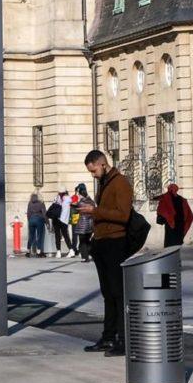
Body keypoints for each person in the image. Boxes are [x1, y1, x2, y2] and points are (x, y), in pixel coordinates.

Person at [74, 150, 132, 356]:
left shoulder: (120, 182)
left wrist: (94, 211)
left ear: (103, 164)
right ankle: (108, 337)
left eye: (94, 170)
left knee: (118, 293)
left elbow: (123, 215)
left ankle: (123, 341)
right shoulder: (104, 183)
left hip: (115, 242)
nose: (93, 175)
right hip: (102, 242)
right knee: (108, 293)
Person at [156, 182, 193, 247]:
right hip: (179, 224)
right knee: (176, 242)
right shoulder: (182, 199)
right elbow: (188, 214)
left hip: (171, 224)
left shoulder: (166, 197)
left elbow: (161, 210)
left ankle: (170, 254)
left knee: (170, 242)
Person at [70, 186, 94, 261]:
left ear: (81, 195)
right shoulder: (91, 202)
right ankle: (91, 253)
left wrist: (72, 205)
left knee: (82, 241)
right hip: (90, 224)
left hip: (82, 225)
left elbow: (75, 209)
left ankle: (85, 257)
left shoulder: (80, 202)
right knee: (87, 240)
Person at [50, 191, 72, 256]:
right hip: (64, 220)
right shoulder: (68, 199)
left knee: (57, 236)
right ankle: (71, 250)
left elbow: (53, 206)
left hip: (56, 219)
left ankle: (58, 252)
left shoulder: (56, 198)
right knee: (66, 236)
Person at [23, 192, 46, 257]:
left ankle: (28, 252)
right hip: (39, 220)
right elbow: (44, 214)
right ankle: (39, 252)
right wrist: (47, 223)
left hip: (31, 220)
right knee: (39, 236)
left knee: (31, 236)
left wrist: (29, 220)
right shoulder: (41, 203)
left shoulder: (30, 203)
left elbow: (28, 213)